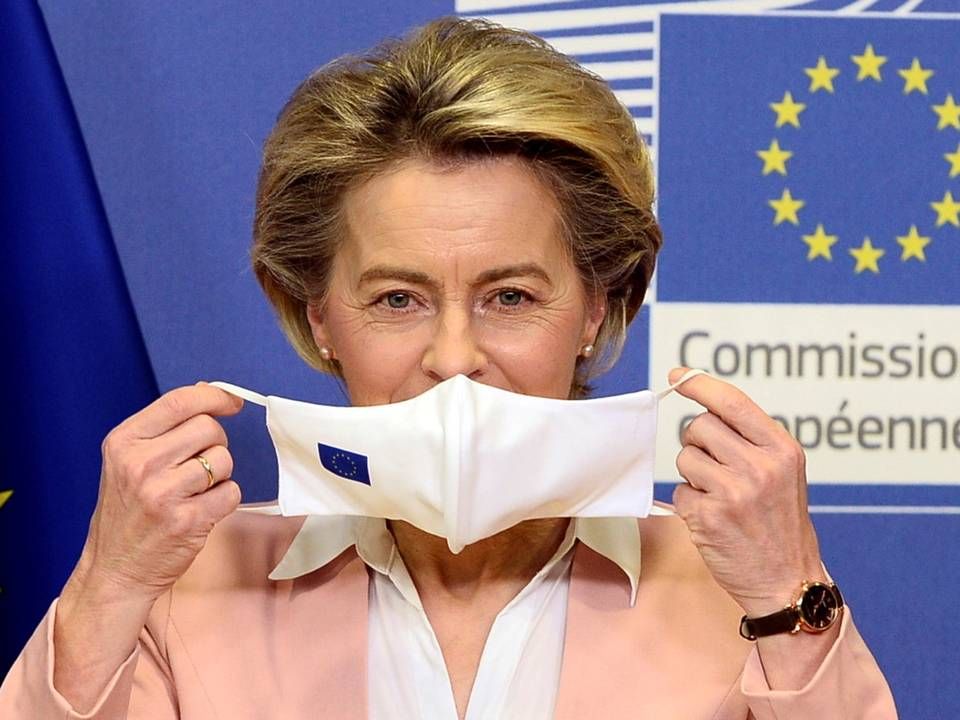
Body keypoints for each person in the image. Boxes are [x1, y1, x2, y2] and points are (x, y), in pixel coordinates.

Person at [0, 16, 896, 719]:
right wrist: (107, 587)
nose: (455, 359)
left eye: (510, 297)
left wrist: (787, 591)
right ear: (319, 316)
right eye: (398, 299)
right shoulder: (188, 587)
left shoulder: (742, 595)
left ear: (596, 306)